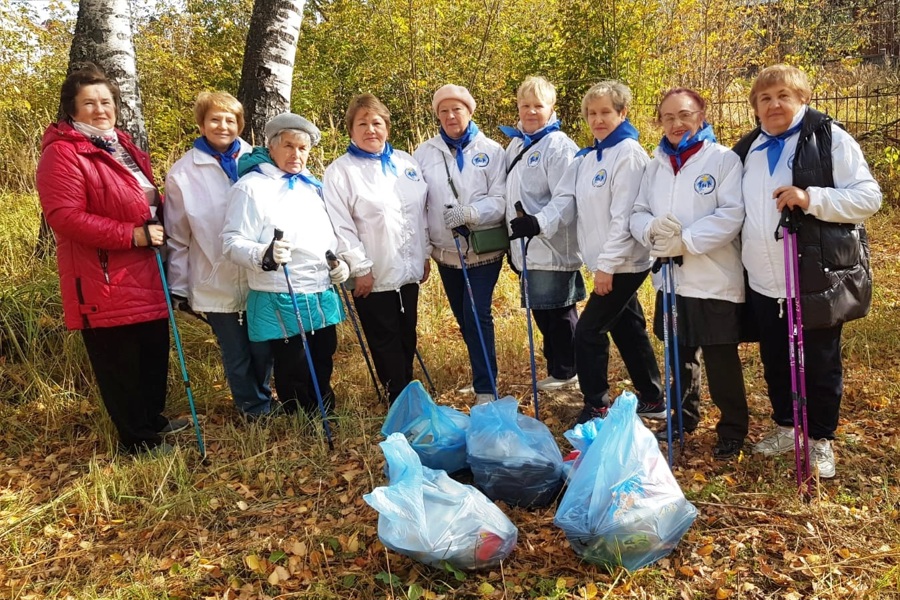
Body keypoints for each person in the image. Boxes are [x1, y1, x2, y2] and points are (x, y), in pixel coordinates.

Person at [735, 65, 881, 478]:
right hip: (764, 278)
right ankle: (786, 427)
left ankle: (820, 439)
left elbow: (869, 197)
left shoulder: (828, 138)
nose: (774, 104)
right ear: (756, 107)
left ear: (802, 99)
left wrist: (810, 197)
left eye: (783, 95)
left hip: (815, 275)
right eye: (765, 98)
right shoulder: (747, 150)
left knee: (819, 360)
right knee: (775, 357)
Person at [35, 62, 183, 455]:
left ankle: (154, 421)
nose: (101, 109)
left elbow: (143, 199)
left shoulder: (121, 145)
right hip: (103, 275)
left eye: (106, 101)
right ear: (72, 109)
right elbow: (64, 218)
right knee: (120, 364)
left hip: (147, 268)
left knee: (152, 353)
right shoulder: (63, 154)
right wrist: (132, 235)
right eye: (89, 103)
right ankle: (137, 440)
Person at [629, 87, 749, 460]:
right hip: (670, 278)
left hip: (713, 277)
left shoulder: (723, 160)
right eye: (668, 117)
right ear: (659, 122)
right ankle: (683, 417)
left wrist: (686, 241)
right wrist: (651, 231)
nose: (677, 123)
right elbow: (638, 211)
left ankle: (732, 429)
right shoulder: (655, 164)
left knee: (719, 357)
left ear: (701, 115)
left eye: (684, 115)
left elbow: (731, 215)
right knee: (678, 353)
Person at [222, 113, 349, 419]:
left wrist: (340, 264)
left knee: (323, 355)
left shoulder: (311, 186)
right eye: (289, 146)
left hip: (319, 289)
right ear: (272, 147)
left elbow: (330, 235)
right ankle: (301, 419)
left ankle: (325, 411)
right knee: (294, 364)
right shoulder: (252, 187)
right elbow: (231, 241)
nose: (297, 154)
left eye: (303, 148)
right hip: (281, 290)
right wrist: (263, 253)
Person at [553, 81, 665, 425]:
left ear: (622, 113)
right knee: (627, 327)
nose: (598, 119)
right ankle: (653, 397)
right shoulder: (592, 156)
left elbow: (623, 217)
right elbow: (575, 205)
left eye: (605, 112)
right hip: (606, 262)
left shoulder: (628, 154)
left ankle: (596, 404)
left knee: (588, 332)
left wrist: (607, 266)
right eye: (592, 113)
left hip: (623, 262)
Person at [165, 91, 274, 421]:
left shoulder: (261, 162)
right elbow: (177, 236)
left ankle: (263, 396)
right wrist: (180, 287)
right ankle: (253, 409)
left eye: (230, 120)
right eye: (214, 119)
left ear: (239, 123)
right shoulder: (183, 174)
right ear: (201, 124)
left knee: (263, 346)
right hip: (214, 276)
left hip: (258, 272)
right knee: (236, 351)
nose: (223, 126)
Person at [323, 94, 430, 404]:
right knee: (384, 338)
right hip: (374, 270)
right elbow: (341, 225)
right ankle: (397, 396)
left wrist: (424, 255)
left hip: (408, 268)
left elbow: (419, 213)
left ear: (387, 127)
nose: (371, 130)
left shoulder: (405, 163)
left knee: (407, 332)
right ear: (350, 130)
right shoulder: (341, 172)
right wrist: (360, 268)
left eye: (377, 123)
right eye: (363, 124)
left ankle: (406, 387)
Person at [414, 85, 506, 406]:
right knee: (464, 317)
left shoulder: (493, 150)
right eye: (444, 111)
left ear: (469, 111)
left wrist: (473, 212)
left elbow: (502, 199)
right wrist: (424, 250)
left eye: (457, 109)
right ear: (437, 115)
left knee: (476, 312)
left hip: (485, 250)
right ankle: (484, 373)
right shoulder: (424, 153)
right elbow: (418, 204)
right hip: (446, 253)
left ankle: (486, 388)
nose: (451, 116)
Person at [502, 76, 584, 391]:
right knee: (541, 310)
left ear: (551, 108)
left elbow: (567, 198)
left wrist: (538, 222)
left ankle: (569, 371)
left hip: (552, 245)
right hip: (525, 247)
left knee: (560, 311)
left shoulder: (559, 146)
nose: (531, 111)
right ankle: (557, 368)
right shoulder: (515, 145)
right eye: (525, 105)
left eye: (538, 105)